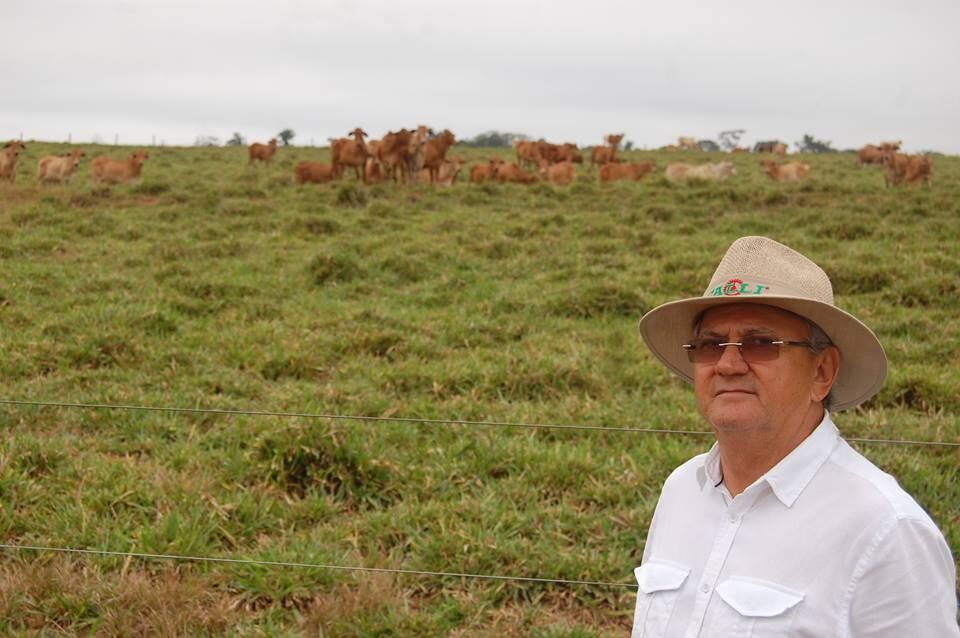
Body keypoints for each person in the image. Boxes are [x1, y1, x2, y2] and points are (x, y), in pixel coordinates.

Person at [632, 236, 958, 637]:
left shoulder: (886, 532)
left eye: (760, 344)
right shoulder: (681, 490)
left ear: (821, 372)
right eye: (710, 345)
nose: (728, 363)